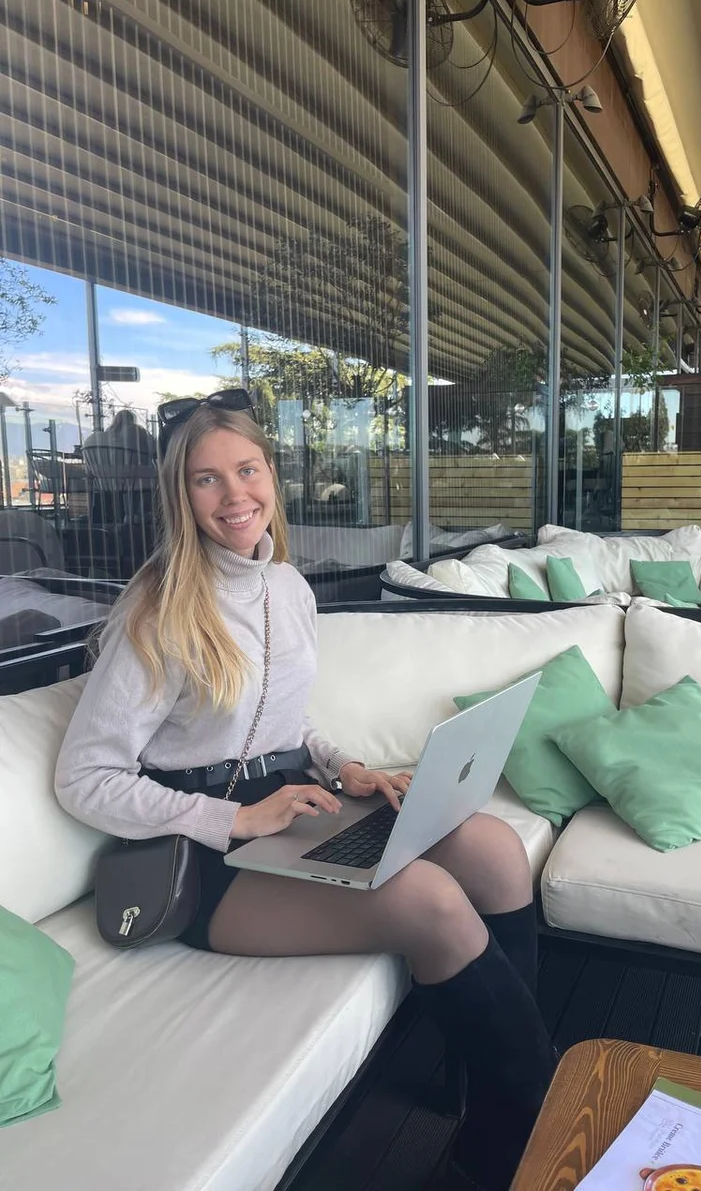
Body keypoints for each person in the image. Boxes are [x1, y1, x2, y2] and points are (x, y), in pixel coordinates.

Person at [54, 389, 556, 1191]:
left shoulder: (287, 586)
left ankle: (491, 1088)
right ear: (179, 495)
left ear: (270, 476)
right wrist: (235, 816)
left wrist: (344, 766)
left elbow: (288, 721)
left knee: (493, 848)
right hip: (199, 856)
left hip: (297, 807)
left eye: (246, 470)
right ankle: (520, 1139)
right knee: (428, 898)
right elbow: (85, 778)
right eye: (205, 480)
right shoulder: (156, 611)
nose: (233, 495)